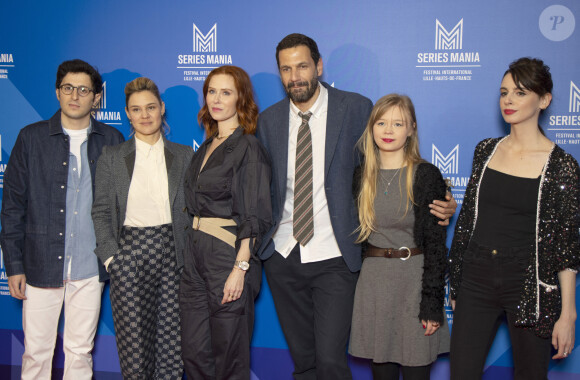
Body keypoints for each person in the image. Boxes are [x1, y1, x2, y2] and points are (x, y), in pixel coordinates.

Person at [256, 33, 457, 380]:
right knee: (304, 362)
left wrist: (440, 197)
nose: (295, 76)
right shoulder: (268, 120)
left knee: (332, 361)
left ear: (318, 66)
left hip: (337, 256)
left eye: (302, 66)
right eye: (286, 69)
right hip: (284, 256)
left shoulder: (356, 108)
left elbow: (392, 169)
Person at [449, 57, 579, 379]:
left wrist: (568, 314)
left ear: (544, 100)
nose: (508, 100)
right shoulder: (486, 150)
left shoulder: (562, 166)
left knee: (530, 374)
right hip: (476, 276)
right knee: (461, 373)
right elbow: (468, 220)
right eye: (504, 92)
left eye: (520, 93)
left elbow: (565, 247)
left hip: (529, 282)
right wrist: (456, 275)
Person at [0, 59, 124, 379]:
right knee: (37, 352)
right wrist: (14, 265)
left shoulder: (112, 140)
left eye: (84, 90)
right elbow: (13, 207)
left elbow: (123, 206)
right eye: (68, 88)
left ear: (96, 97)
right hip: (41, 263)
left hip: (90, 267)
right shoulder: (31, 139)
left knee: (80, 351)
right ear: (57, 92)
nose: (75, 95)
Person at [92, 77, 192, 379]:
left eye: (150, 107)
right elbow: (101, 211)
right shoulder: (112, 157)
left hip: (174, 255)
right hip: (129, 256)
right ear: (127, 114)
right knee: (135, 350)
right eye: (136, 109)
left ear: (162, 109)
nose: (144, 115)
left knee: (173, 347)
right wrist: (113, 260)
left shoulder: (184, 154)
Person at [179, 65, 272, 380]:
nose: (216, 99)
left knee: (229, 353)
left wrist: (240, 268)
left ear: (240, 99)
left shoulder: (248, 147)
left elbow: (254, 213)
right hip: (194, 255)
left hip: (227, 255)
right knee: (193, 350)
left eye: (226, 92)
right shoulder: (206, 146)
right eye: (211, 91)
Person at [349, 94, 450, 379]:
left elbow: (435, 244)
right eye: (381, 122)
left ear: (411, 129)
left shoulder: (426, 174)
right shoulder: (361, 175)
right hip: (374, 286)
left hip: (414, 285)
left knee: (417, 370)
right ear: (371, 128)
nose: (388, 130)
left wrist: (431, 305)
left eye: (397, 123)